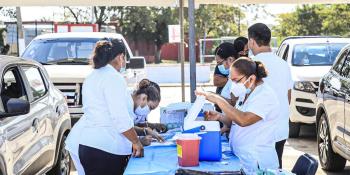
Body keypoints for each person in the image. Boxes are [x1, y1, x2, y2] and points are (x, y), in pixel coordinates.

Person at [65, 39, 143, 175]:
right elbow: (120, 118)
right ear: (120, 57)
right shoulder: (114, 78)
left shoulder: (92, 77)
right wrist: (136, 141)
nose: (123, 63)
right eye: (124, 59)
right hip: (107, 149)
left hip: (88, 146)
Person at [197, 58, 280, 170]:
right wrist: (219, 116)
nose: (233, 85)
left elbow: (243, 120)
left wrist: (218, 100)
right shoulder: (246, 92)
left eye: (236, 80)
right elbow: (235, 121)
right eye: (231, 81)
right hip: (242, 159)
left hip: (256, 161)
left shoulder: (265, 95)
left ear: (251, 78)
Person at [247, 23, 293, 169]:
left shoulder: (251, 65)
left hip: (259, 132)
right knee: (276, 168)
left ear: (252, 41)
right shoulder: (283, 64)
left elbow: (244, 98)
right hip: (280, 129)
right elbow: (288, 96)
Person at [130, 79, 167, 145]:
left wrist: (153, 126)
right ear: (144, 98)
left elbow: (138, 124)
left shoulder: (136, 106)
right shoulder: (126, 103)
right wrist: (139, 140)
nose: (148, 111)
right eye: (150, 107)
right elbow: (125, 128)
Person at [213, 42, 239, 112]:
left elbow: (234, 104)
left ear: (230, 59)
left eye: (220, 63)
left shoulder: (239, 78)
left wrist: (215, 97)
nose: (218, 66)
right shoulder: (231, 76)